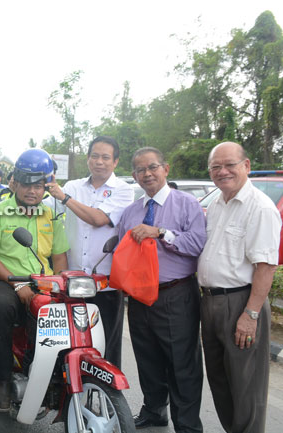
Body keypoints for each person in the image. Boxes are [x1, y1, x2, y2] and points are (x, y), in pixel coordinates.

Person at [0, 149, 69, 412]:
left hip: (44, 283)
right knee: (0, 309)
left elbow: (59, 256)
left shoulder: (50, 215)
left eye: (38, 185)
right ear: (15, 182)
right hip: (6, 280)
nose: (32, 191)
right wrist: (18, 285)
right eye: (27, 184)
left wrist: (61, 283)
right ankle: (2, 379)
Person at [117, 147, 206, 432]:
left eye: (153, 167)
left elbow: (197, 244)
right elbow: (122, 252)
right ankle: (155, 411)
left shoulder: (187, 203)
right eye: (141, 170)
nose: (147, 173)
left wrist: (162, 233)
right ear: (134, 176)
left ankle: (188, 426)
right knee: (148, 359)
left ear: (165, 169)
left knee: (182, 364)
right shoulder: (131, 212)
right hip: (140, 298)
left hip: (175, 294)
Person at [198, 142, 281, 433]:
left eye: (229, 164)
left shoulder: (260, 208)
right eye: (215, 166)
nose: (222, 171)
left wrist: (251, 315)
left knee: (246, 388)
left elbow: (266, 267)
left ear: (246, 165)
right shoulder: (218, 204)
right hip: (210, 303)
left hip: (242, 304)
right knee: (220, 382)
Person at [46, 136, 133, 367]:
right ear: (88, 159)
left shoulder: (123, 191)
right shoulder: (74, 186)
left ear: (115, 162)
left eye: (106, 157)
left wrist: (64, 197)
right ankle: (71, 400)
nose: (99, 162)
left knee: (107, 349)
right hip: (72, 282)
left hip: (106, 283)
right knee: (69, 345)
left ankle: (108, 401)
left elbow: (98, 219)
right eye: (95, 156)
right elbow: (43, 207)